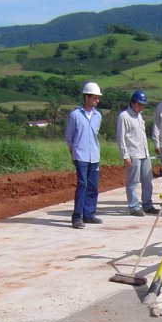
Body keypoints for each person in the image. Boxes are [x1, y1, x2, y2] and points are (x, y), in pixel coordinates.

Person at [65, 82, 103, 229]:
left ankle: (89, 214)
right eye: (94, 98)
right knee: (82, 185)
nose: (97, 101)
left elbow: (95, 134)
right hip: (80, 155)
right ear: (86, 97)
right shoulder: (75, 115)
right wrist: (73, 152)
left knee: (93, 186)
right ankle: (77, 217)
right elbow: (69, 136)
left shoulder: (98, 116)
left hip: (94, 154)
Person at [116, 90, 157, 217]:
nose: (141, 107)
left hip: (144, 153)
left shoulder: (139, 116)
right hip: (133, 153)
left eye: (143, 105)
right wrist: (125, 154)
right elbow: (120, 137)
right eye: (139, 104)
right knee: (133, 182)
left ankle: (147, 204)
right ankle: (134, 206)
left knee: (147, 180)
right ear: (132, 103)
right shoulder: (124, 116)